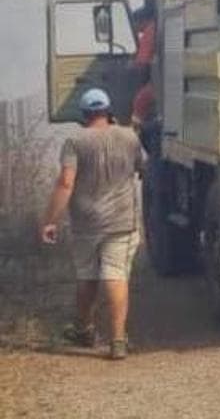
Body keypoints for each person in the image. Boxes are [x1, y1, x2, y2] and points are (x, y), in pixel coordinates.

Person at [39, 88, 145, 360]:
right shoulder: (129, 137)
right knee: (116, 274)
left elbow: (65, 183)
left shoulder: (74, 141)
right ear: (108, 111)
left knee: (87, 276)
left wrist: (50, 221)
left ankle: (84, 330)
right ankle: (118, 341)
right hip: (122, 221)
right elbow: (140, 168)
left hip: (86, 222)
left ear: (84, 114)